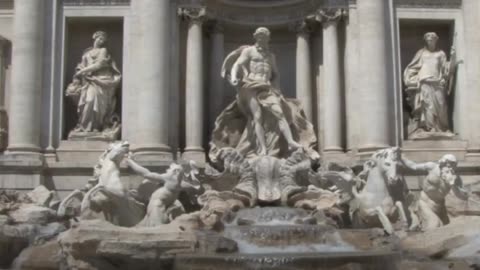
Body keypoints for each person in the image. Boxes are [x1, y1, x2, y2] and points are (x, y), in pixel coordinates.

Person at [210, 27, 317, 161]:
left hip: (267, 87)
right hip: (250, 86)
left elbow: (276, 74)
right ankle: (263, 149)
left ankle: (290, 141)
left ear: (268, 39)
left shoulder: (271, 56)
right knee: (257, 117)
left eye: (265, 37)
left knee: (280, 114)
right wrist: (233, 77)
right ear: (256, 37)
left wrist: (277, 91)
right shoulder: (249, 51)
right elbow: (237, 64)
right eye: (260, 36)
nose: (262, 39)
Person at [66, 30, 122, 136]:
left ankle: (96, 126)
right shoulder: (87, 53)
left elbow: (99, 64)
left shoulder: (103, 50)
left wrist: (83, 71)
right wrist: (79, 73)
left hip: (101, 80)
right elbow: (81, 66)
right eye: (100, 38)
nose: (101, 41)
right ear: (94, 37)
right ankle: (85, 126)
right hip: (87, 82)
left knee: (95, 102)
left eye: (103, 40)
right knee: (88, 101)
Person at [403, 32, 454, 138]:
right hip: (424, 82)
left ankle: (442, 128)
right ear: (425, 40)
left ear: (436, 40)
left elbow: (445, 68)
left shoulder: (441, 53)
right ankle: (430, 128)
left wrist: (452, 58)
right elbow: (412, 67)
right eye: (427, 39)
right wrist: (411, 78)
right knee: (427, 106)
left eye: (432, 38)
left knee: (441, 104)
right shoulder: (421, 53)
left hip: (437, 82)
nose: (430, 40)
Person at [401, 154, 469, 230]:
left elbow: (463, 196)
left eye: (452, 164)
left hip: (439, 207)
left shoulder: (455, 178)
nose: (449, 166)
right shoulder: (432, 167)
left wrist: (452, 185)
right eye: (447, 163)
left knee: (444, 228)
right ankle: (416, 218)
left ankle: (417, 223)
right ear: (442, 162)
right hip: (424, 202)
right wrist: (402, 158)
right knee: (434, 224)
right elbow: (414, 166)